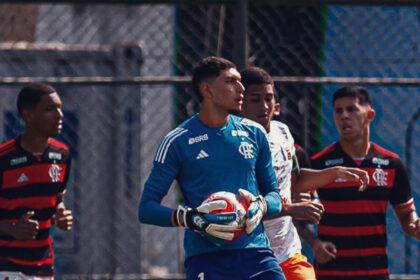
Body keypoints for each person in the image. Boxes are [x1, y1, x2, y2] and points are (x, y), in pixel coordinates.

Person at [138, 56, 286, 280]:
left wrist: (262, 205)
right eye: (231, 81)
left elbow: (274, 195)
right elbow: (146, 208)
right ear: (207, 90)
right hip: (207, 258)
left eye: (240, 81)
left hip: (256, 254)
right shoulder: (176, 141)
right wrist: (189, 218)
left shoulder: (255, 133)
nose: (241, 88)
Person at [239, 67, 369, 280]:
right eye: (255, 99)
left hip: (287, 252)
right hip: (250, 254)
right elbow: (245, 208)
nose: (264, 106)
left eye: (268, 98)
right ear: (240, 102)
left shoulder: (282, 132)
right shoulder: (235, 143)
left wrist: (335, 172)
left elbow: (295, 180)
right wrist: (291, 209)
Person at [309, 86, 420, 280]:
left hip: (375, 273)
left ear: (369, 115)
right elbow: (298, 214)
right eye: (338, 110)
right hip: (330, 273)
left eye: (351, 109)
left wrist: (415, 226)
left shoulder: (391, 165)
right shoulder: (318, 164)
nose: (344, 116)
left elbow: (406, 213)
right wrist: (314, 242)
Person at [0, 83, 73, 279]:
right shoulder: (4, 159)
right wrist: (11, 229)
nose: (60, 115)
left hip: (43, 266)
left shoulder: (62, 155)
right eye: (50, 109)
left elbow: (57, 199)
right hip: (6, 265)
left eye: (59, 107)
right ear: (28, 115)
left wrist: (60, 213)